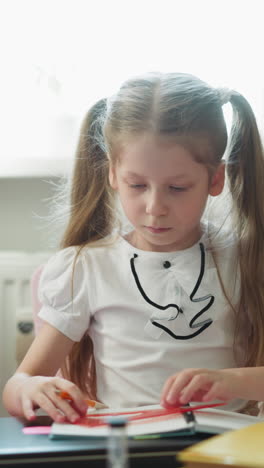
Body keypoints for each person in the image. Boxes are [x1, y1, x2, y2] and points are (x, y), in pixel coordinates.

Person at [3, 72, 264, 423]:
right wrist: (30, 389)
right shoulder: (87, 267)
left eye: (178, 188)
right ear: (113, 174)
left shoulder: (246, 258)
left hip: (226, 449)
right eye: (137, 184)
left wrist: (233, 381)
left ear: (215, 179)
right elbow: (19, 383)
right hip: (128, 447)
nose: (155, 206)